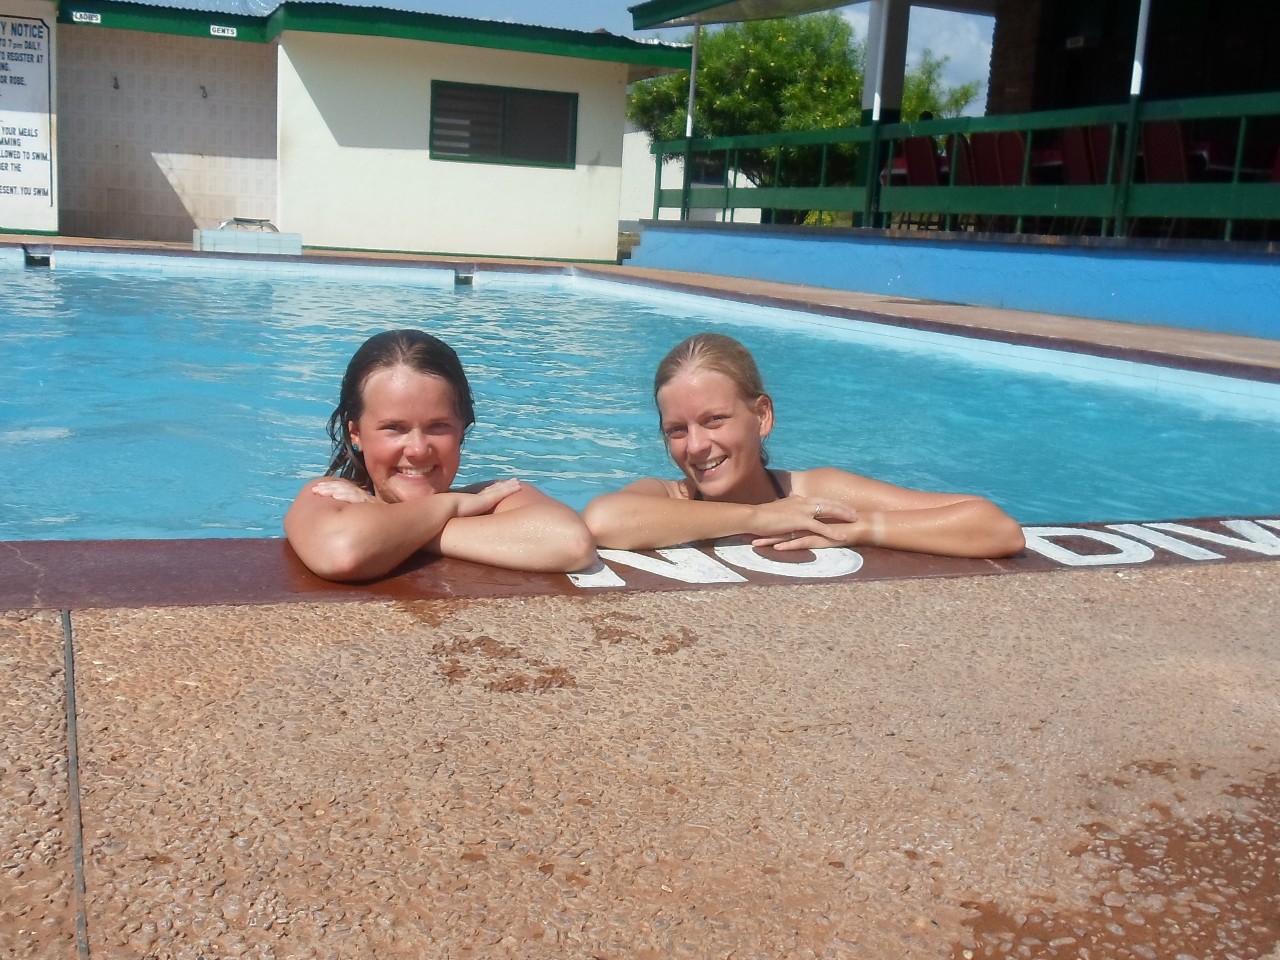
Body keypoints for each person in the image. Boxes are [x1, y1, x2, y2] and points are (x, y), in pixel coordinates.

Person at [583, 332, 1025, 558]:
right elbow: (603, 521)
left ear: (762, 416)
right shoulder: (665, 497)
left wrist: (861, 528)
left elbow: (996, 527)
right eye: (677, 430)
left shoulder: (814, 492)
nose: (696, 445)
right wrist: (759, 517)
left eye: (714, 420)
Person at [285, 329, 595, 581]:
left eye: (438, 426)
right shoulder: (330, 495)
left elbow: (571, 543)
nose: (418, 449)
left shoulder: (493, 497)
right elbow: (343, 552)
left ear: (461, 430)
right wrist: (451, 505)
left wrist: (389, 520)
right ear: (356, 434)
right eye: (394, 428)